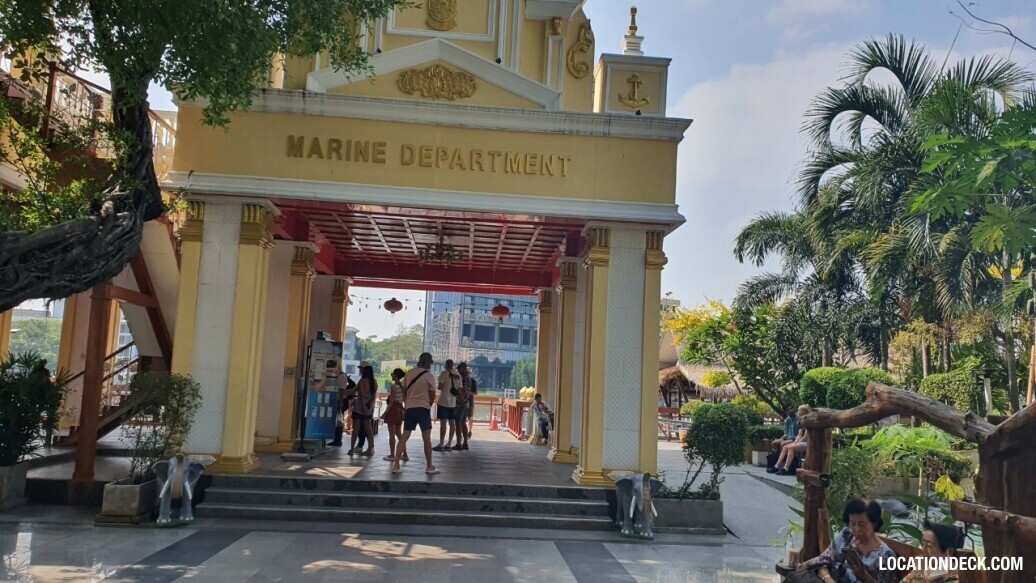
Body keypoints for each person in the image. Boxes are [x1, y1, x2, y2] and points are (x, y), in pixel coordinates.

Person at [796, 499, 896, 583]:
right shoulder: (846, 535)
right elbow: (825, 559)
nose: (856, 529)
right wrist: (827, 578)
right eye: (852, 523)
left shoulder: (885, 555)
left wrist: (864, 575)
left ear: (874, 524)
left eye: (862, 524)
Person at [391, 352, 439, 475]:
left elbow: (404, 390)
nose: (431, 365)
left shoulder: (409, 373)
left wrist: (407, 404)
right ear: (427, 362)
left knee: (404, 437)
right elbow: (432, 395)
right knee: (426, 438)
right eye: (430, 362)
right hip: (423, 408)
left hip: (410, 408)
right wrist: (428, 406)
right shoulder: (430, 376)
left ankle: (396, 464)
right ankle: (429, 466)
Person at [348, 365, 376, 457]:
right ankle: (370, 449)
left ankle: (352, 449)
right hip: (368, 408)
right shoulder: (374, 382)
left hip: (359, 407)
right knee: (369, 429)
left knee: (356, 429)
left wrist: (344, 392)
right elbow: (373, 397)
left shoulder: (362, 381)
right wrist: (370, 406)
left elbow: (360, 393)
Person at [433, 359, 460, 452]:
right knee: (452, 424)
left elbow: (440, 387)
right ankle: (449, 444)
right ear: (452, 365)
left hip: (443, 402)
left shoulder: (444, 373)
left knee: (443, 424)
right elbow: (460, 390)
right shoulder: (458, 375)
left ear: (445, 365)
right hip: (453, 403)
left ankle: (441, 444)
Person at [775, 404, 811, 475]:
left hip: (807, 442)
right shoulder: (802, 420)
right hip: (802, 442)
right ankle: (776, 466)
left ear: (803, 412)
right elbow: (800, 435)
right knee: (785, 447)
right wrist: (795, 443)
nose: (798, 412)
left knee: (791, 448)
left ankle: (786, 468)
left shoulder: (808, 421)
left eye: (799, 410)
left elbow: (806, 437)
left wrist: (796, 443)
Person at [381, 368, 407, 462]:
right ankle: (405, 454)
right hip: (400, 409)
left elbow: (392, 401)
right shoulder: (403, 386)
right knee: (399, 434)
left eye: (392, 374)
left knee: (391, 434)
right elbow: (404, 399)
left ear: (395, 375)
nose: (391, 375)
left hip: (393, 410)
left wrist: (386, 412)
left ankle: (392, 455)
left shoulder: (394, 386)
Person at [767, 405, 799, 473]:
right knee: (774, 443)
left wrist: (786, 440)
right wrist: (781, 438)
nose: (790, 410)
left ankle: (780, 465)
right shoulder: (787, 419)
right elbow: (786, 433)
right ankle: (776, 458)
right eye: (788, 410)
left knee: (783, 444)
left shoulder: (798, 418)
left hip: (795, 438)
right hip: (788, 438)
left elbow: (799, 434)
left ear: (793, 409)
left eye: (791, 409)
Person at [329, 370, 356, 447]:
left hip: (341, 401)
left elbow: (342, 390)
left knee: (339, 420)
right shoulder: (343, 377)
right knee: (338, 420)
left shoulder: (342, 377)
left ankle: (337, 440)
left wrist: (340, 401)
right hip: (342, 401)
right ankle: (337, 439)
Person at [458, 362, 478, 446]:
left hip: (466, 402)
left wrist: (467, 393)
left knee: (463, 420)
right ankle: (464, 439)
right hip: (466, 402)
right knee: (462, 421)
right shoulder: (460, 378)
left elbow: (475, 392)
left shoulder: (470, 380)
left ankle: (464, 437)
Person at [453, 363, 470, 450]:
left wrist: (460, 401)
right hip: (467, 404)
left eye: (459, 369)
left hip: (461, 404)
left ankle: (459, 443)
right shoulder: (469, 378)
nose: (459, 371)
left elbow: (463, 390)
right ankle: (465, 443)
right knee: (463, 423)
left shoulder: (464, 379)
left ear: (463, 369)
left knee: (458, 423)